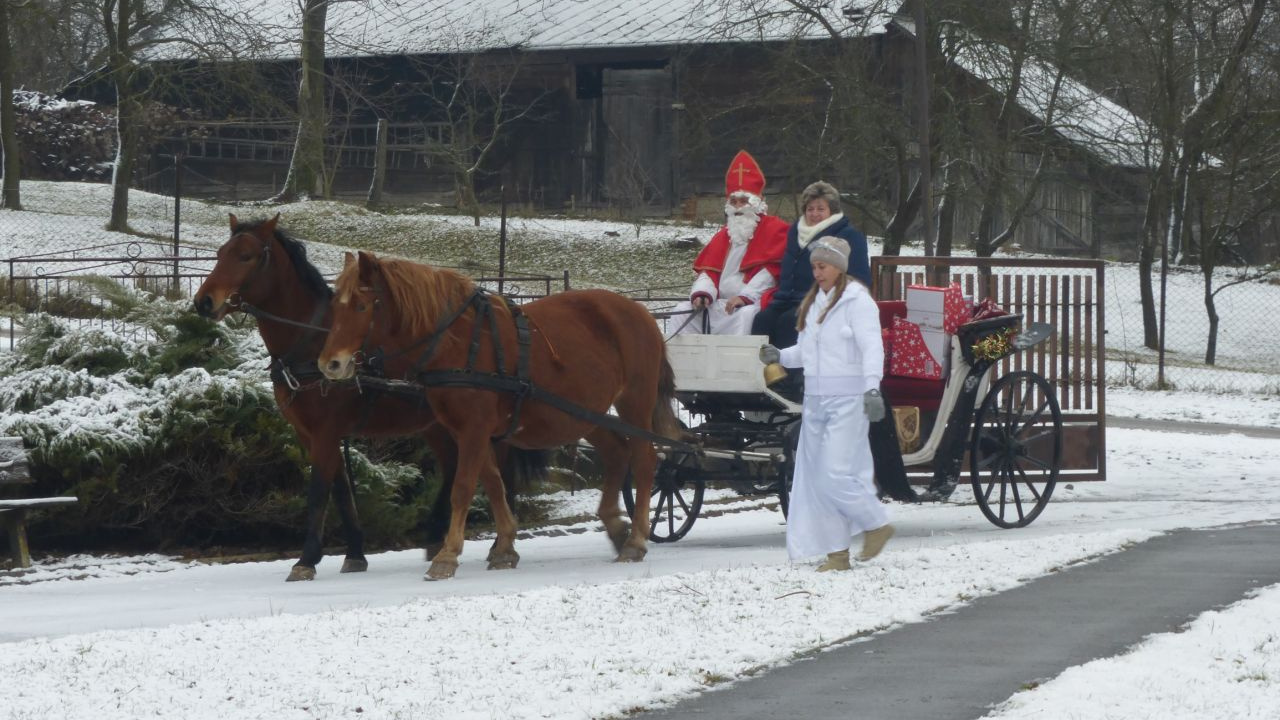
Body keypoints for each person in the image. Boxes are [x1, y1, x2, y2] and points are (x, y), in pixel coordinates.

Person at [758, 236, 894, 571]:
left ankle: (875, 523)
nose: (816, 272)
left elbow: (872, 348)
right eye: (814, 267)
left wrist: (872, 388)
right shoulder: (815, 302)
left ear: (839, 267)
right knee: (819, 478)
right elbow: (806, 351)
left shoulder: (857, 302)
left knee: (835, 473)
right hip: (816, 401)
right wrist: (781, 356)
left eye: (822, 266)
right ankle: (837, 553)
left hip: (848, 400)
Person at [671, 150, 789, 335]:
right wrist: (703, 293)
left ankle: (736, 364)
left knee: (746, 316)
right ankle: (681, 364)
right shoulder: (724, 235)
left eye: (743, 201)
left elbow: (770, 273)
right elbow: (708, 272)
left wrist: (745, 296)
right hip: (719, 303)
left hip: (751, 301)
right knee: (680, 312)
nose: (738, 206)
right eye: (733, 201)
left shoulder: (775, 230)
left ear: (757, 203)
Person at [750, 181, 870, 348]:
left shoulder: (847, 235)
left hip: (820, 299)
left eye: (820, 209)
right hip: (785, 298)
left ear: (832, 210)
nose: (814, 214)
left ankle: (789, 372)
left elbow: (859, 278)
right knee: (762, 320)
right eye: (810, 209)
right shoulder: (795, 231)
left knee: (789, 323)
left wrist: (834, 298)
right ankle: (762, 370)